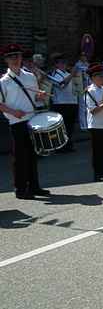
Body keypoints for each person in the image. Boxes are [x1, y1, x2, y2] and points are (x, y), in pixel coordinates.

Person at [0, 44, 50, 199]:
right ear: (6, 60)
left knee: (33, 155)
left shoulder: (30, 76)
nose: (15, 59)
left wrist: (40, 96)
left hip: (32, 119)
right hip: (16, 122)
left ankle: (35, 187)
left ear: (21, 58)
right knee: (20, 157)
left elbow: (35, 98)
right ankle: (21, 189)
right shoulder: (3, 81)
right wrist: (14, 112)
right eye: (11, 57)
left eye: (17, 56)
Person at [48, 53, 78, 153]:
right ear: (56, 64)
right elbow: (62, 85)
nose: (64, 64)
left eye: (65, 62)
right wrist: (72, 74)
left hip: (72, 102)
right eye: (61, 63)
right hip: (61, 104)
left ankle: (68, 144)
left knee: (70, 126)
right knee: (62, 127)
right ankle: (60, 146)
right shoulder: (55, 74)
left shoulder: (67, 73)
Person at [74, 53, 90, 131]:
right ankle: (83, 125)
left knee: (87, 107)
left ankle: (88, 124)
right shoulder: (77, 65)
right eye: (83, 56)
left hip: (88, 88)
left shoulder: (88, 64)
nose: (84, 57)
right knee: (82, 107)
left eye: (85, 56)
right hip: (81, 88)